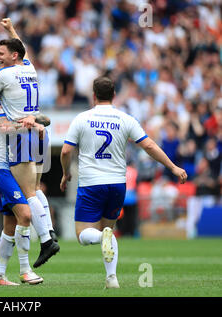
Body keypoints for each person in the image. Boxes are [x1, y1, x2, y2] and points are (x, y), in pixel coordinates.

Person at [60, 76, 187, 289]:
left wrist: (65, 173)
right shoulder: (125, 119)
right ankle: (112, 279)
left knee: (83, 235)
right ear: (114, 95)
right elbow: (149, 146)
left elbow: (65, 151)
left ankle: (104, 243)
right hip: (117, 184)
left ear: (94, 95)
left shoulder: (82, 118)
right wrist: (173, 167)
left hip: (91, 183)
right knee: (108, 231)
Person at [0, 18, 59, 269]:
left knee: (29, 195)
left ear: (12, 56)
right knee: (36, 189)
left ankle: (47, 240)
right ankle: (48, 231)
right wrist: (11, 31)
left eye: (2, 54)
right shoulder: (30, 68)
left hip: (22, 135)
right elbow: (22, 49)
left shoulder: (4, 76)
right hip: (36, 130)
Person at [0, 100, 46, 285]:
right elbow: (4, 128)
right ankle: (25, 270)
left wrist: (34, 119)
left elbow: (46, 119)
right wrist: (27, 123)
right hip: (2, 168)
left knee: (10, 226)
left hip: (15, 167)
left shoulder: (17, 107)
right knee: (25, 215)